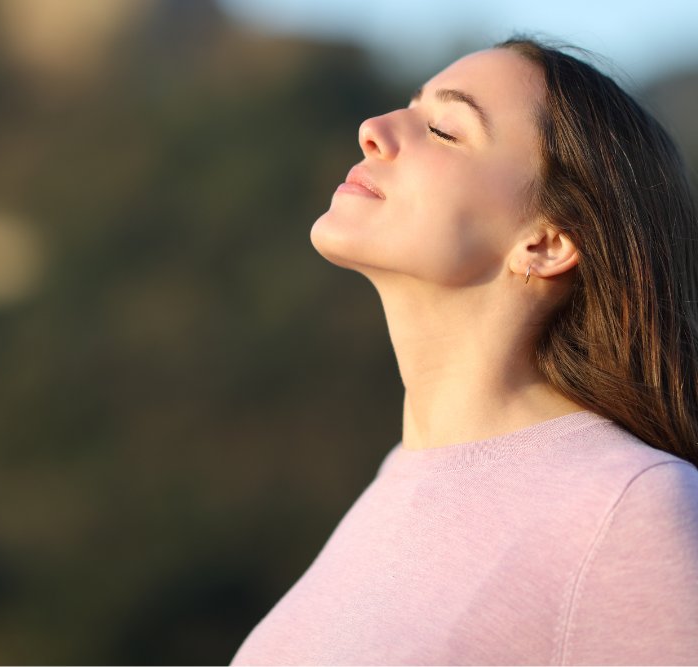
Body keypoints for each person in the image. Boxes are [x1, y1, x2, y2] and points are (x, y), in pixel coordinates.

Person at [231, 38, 698, 665]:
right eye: (408, 106)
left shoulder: (628, 508)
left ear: (547, 242)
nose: (374, 129)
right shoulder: (395, 486)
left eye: (444, 130)